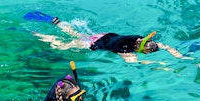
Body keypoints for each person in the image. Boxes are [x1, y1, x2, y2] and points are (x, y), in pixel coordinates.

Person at [32, 18, 190, 64]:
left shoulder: (142, 40)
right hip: (96, 44)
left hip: (106, 35)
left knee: (77, 33)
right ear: (141, 49)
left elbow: (166, 46)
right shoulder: (125, 51)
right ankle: (36, 34)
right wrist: (158, 64)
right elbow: (133, 63)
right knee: (61, 45)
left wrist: (180, 57)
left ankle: (57, 22)